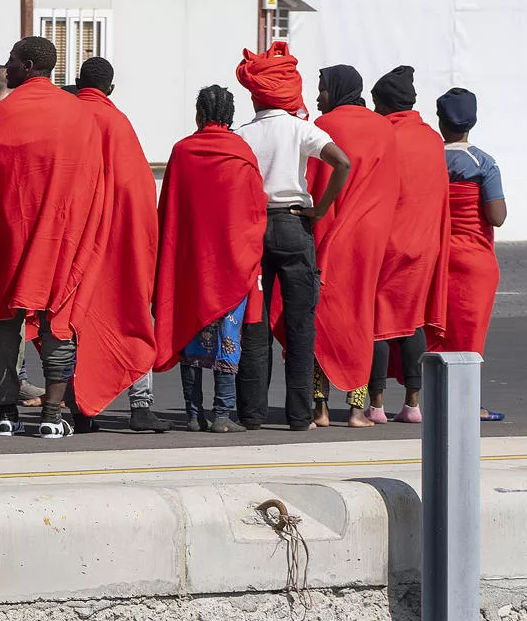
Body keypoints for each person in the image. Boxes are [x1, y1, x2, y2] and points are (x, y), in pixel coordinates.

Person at [0, 35, 105, 441]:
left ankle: (5, 411)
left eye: (13, 60)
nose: (8, 65)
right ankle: (52, 412)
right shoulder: (80, 114)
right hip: (61, 239)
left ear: (28, 66)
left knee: (2, 323)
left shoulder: (0, 114)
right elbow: (94, 180)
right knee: (58, 322)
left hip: (5, 238)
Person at [231, 43, 351, 431]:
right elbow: (343, 162)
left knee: (255, 324)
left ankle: (250, 413)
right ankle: (300, 415)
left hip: (255, 230)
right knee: (301, 324)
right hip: (296, 225)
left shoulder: (242, 135)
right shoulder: (302, 129)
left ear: (255, 94)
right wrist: (319, 209)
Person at [156, 87, 267, 434]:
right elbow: (255, 210)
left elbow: (169, 208)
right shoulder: (242, 153)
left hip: (191, 260)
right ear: (230, 116)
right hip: (232, 261)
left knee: (189, 331)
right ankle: (222, 413)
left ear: (199, 114)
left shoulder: (182, 150)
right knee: (227, 335)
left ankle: (193, 413)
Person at [73, 58, 164, 432]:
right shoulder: (118, 123)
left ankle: (78, 406)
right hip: (116, 242)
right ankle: (140, 404)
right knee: (131, 315)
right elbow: (137, 189)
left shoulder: (68, 115)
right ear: (110, 89)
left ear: (79, 82)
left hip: (74, 239)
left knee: (73, 320)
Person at [299, 63, 389, 429]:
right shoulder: (383, 129)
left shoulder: (325, 128)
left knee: (322, 320)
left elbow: (317, 186)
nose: (319, 96)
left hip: (330, 234)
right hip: (368, 239)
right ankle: (356, 409)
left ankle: (319, 408)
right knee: (360, 319)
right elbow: (390, 190)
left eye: (321, 88)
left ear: (335, 89)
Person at [366, 66, 449, 423]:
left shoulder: (384, 136)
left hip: (387, 242)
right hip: (424, 243)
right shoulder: (431, 138)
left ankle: (377, 404)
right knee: (412, 320)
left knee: (378, 322)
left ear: (385, 103)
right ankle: (413, 404)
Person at [433, 87, 506, 419]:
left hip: (436, 258)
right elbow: (497, 217)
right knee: (470, 335)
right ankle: (468, 404)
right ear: (472, 122)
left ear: (440, 121)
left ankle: (430, 400)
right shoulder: (483, 162)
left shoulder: (430, 157)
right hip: (474, 259)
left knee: (437, 332)